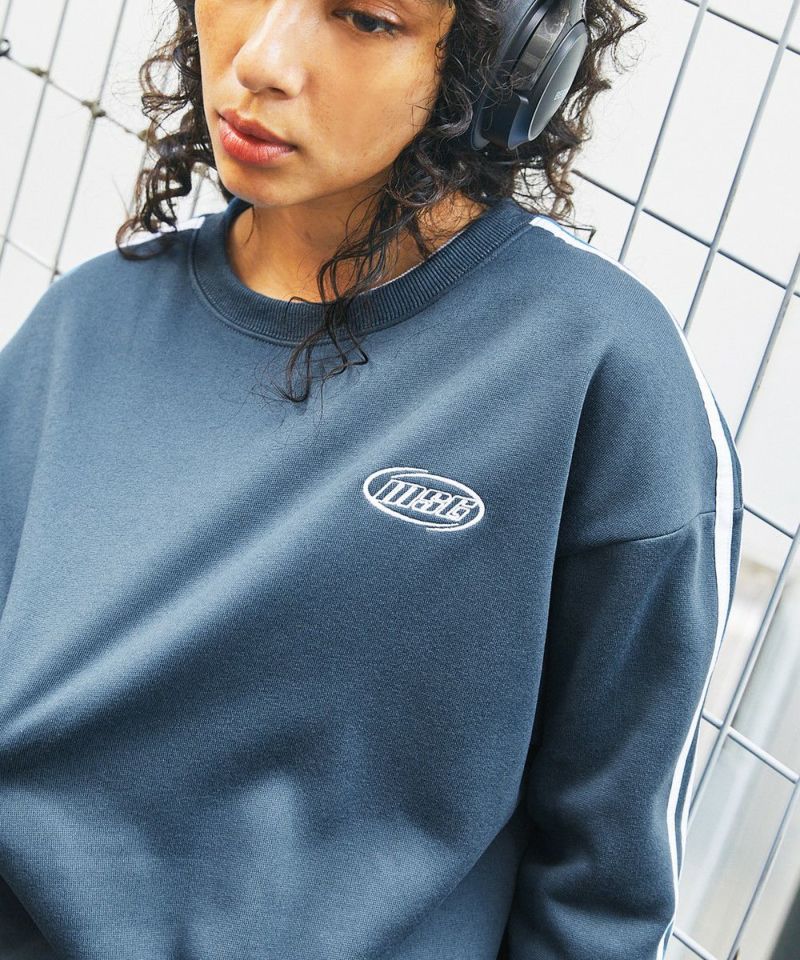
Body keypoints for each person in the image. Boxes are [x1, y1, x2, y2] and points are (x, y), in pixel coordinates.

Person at [0, 1, 744, 958]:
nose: (261, 61)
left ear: (512, 57)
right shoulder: (85, 321)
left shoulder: (594, 369)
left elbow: (604, 887)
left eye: (363, 16)